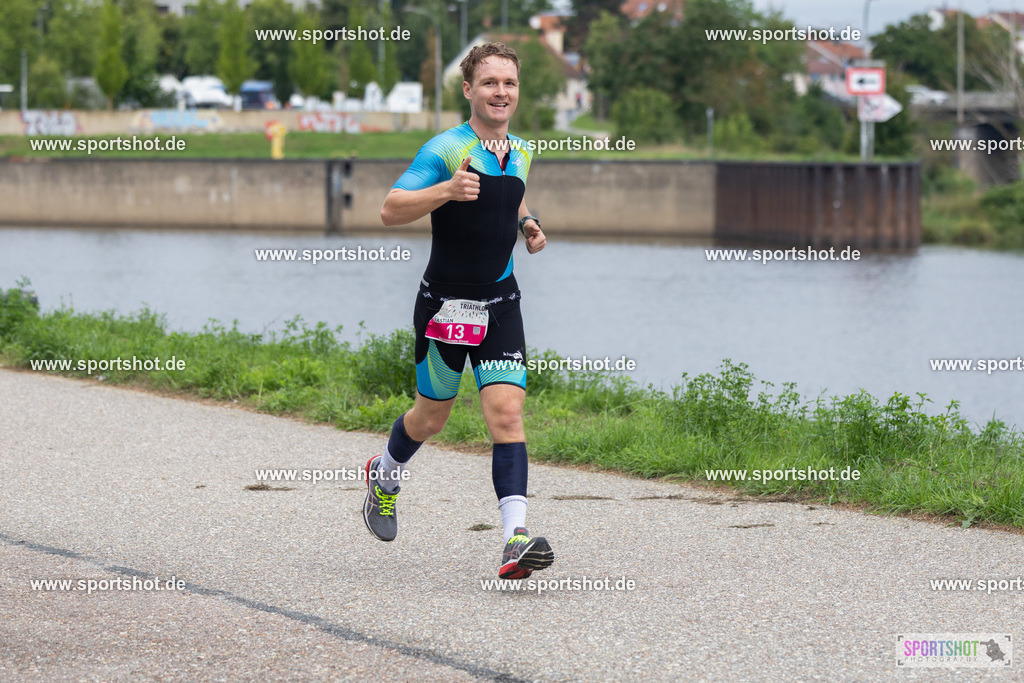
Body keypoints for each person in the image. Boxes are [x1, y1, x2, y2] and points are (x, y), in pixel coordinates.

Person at [365, 42, 553, 580]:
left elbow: (508, 195)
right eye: (490, 83)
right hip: (445, 306)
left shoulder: (521, 149)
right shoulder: (445, 149)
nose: (501, 92)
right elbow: (388, 209)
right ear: (469, 90)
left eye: (510, 84)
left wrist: (527, 223)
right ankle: (385, 474)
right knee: (433, 416)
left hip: (500, 302)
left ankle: (515, 540)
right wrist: (446, 189)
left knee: (507, 415)